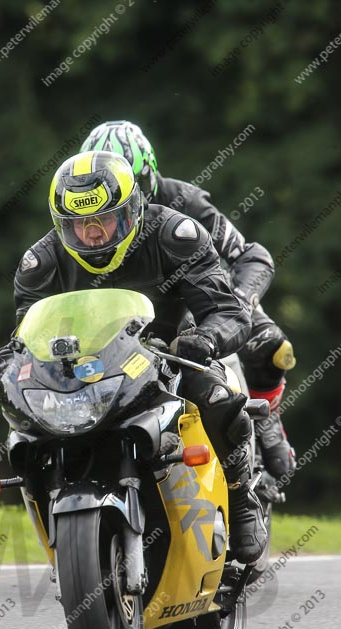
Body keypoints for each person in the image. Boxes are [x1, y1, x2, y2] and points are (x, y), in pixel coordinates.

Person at [0, 150, 267, 563]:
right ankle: (62, 526)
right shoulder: (41, 262)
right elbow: (25, 334)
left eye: (104, 219)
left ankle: (243, 498)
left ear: (132, 210)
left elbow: (228, 312)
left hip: (171, 353)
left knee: (216, 398)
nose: (93, 234)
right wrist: (5, 367)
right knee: (27, 430)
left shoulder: (176, 235)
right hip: (83, 370)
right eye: (79, 224)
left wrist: (205, 340)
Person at [80, 120, 296, 480]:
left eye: (127, 187)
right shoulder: (84, 221)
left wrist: (239, 302)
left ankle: (267, 417)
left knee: (272, 347)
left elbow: (252, 256)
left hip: (203, 298)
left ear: (147, 176)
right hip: (133, 316)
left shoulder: (186, 202)